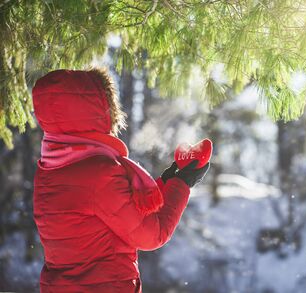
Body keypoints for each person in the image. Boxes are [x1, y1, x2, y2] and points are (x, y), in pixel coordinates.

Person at [32, 68, 210, 293]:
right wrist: (183, 183)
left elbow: (115, 211)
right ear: (95, 109)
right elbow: (151, 235)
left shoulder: (50, 168)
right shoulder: (98, 172)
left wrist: (166, 181)